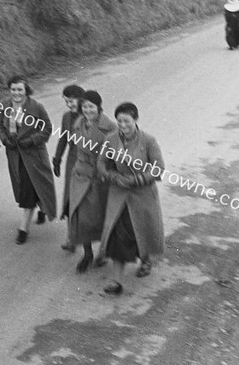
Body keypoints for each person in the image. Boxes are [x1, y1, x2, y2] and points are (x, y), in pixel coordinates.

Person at [97, 102, 165, 294]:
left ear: (135, 119)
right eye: (119, 121)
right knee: (118, 235)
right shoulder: (110, 140)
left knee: (141, 231)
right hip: (119, 194)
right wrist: (114, 177)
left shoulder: (148, 141)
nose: (122, 125)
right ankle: (116, 281)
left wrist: (137, 179)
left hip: (142, 195)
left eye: (126, 121)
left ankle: (146, 260)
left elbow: (158, 168)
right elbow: (102, 164)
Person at [0, 75, 57, 244]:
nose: (16, 93)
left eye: (20, 90)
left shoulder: (36, 107)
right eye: (13, 89)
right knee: (25, 186)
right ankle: (42, 206)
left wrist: (32, 140)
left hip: (34, 156)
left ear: (26, 90)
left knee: (30, 189)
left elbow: (47, 129)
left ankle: (23, 228)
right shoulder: (5, 106)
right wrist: (4, 139)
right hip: (15, 155)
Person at [68, 91, 117, 272]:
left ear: (99, 107)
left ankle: (103, 252)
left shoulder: (110, 127)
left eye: (91, 107)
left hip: (99, 179)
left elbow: (115, 155)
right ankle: (87, 253)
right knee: (81, 218)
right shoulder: (78, 123)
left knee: (102, 218)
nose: (87, 110)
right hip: (80, 176)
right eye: (85, 106)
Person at [52, 84, 86, 253]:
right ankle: (71, 238)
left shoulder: (89, 115)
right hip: (72, 160)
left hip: (88, 162)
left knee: (87, 201)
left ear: (80, 99)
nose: (69, 105)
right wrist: (57, 159)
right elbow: (63, 139)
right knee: (69, 199)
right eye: (66, 102)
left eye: (71, 101)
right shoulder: (66, 117)